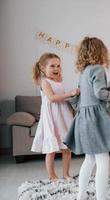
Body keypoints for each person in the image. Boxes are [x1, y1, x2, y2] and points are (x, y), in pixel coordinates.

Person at [64, 37, 110, 200]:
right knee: (103, 159)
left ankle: (81, 195)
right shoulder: (98, 69)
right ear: (100, 51)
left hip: (83, 118)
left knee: (90, 158)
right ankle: (101, 197)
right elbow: (100, 94)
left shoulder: (84, 72)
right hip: (94, 119)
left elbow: (91, 93)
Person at [31, 53, 79, 181]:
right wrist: (69, 93)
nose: (56, 68)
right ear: (42, 68)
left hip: (63, 116)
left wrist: (72, 98)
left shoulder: (58, 81)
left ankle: (66, 173)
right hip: (52, 117)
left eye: (58, 66)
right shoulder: (44, 82)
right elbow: (52, 98)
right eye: (52, 66)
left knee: (67, 148)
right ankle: (52, 176)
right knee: (51, 150)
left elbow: (61, 98)